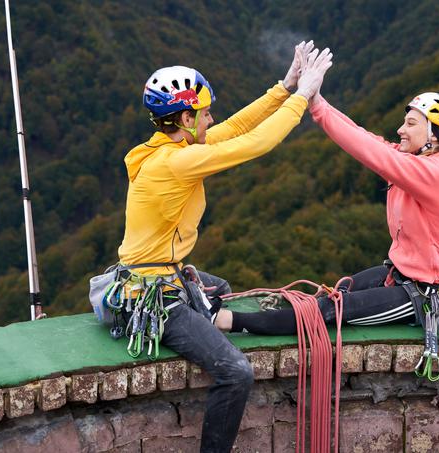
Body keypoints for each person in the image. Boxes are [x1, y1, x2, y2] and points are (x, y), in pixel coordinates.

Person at [115, 42, 332, 453]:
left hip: (161, 275)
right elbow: (253, 145)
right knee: (236, 371)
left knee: (221, 288)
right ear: (185, 117)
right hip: (154, 294)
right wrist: (303, 97)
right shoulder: (175, 163)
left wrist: (283, 88)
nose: (211, 119)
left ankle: (208, 321)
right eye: (205, 113)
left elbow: (232, 129)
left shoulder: (171, 149)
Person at [215, 91, 439, 334]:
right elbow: (365, 137)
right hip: (403, 274)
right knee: (340, 290)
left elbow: (372, 152)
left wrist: (316, 107)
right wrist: (317, 102)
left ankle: (230, 321)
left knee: (329, 310)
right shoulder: (417, 163)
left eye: (411, 124)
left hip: (428, 292)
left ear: (435, 135)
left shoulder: (436, 175)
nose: (400, 130)